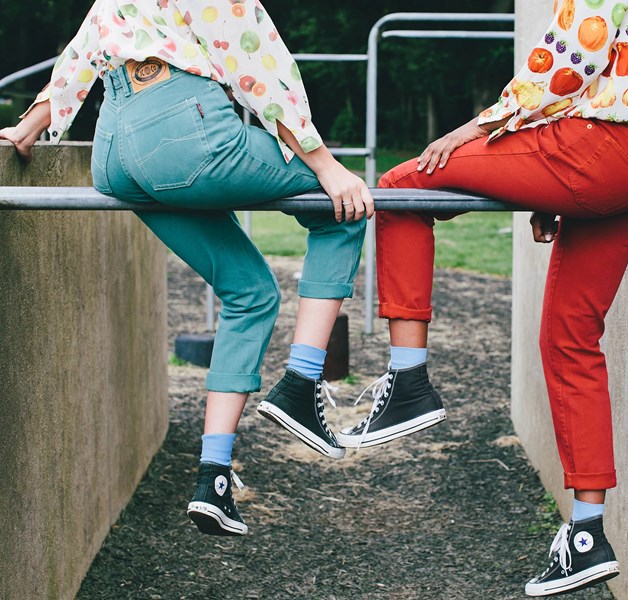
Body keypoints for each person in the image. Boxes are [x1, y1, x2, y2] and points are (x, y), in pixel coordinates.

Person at [338, 0, 628, 596]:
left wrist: (480, 126)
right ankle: (587, 535)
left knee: (403, 186)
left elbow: (569, 58)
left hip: (602, 150)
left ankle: (408, 381)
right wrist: (554, 188)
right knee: (569, 338)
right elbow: (625, 68)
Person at [1, 0, 374, 538]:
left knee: (250, 293)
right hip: (184, 132)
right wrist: (326, 165)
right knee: (343, 207)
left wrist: (26, 129)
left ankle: (213, 480)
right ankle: (301, 383)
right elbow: (261, 67)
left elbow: (81, 56)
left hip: (115, 157)